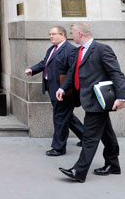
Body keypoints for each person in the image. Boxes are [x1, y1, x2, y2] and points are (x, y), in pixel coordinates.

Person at [56, 22, 125, 183]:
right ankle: (113, 164)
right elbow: (72, 72)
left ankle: (79, 171)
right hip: (87, 98)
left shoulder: (102, 49)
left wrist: (122, 98)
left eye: (72, 32)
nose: (71, 35)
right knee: (106, 134)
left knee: (89, 137)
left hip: (98, 100)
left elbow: (116, 73)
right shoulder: (78, 51)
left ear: (80, 34)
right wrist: (63, 88)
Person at [25, 26, 84, 156]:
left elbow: (72, 71)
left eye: (53, 34)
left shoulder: (70, 50)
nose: (51, 36)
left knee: (60, 118)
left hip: (63, 91)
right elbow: (44, 63)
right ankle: (85, 137)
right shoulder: (52, 49)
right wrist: (32, 69)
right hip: (53, 88)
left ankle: (59, 147)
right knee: (66, 116)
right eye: (50, 34)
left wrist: (63, 89)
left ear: (62, 35)